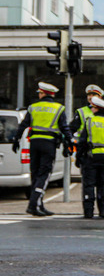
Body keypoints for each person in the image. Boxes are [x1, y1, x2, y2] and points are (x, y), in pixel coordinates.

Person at [13, 82, 72, 217]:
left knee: (35, 173)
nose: (38, 95)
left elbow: (23, 125)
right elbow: (64, 128)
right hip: (49, 144)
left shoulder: (33, 107)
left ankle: (39, 205)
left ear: (43, 94)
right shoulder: (58, 108)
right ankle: (33, 204)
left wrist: (16, 139)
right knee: (44, 175)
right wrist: (69, 142)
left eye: (39, 93)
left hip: (34, 144)